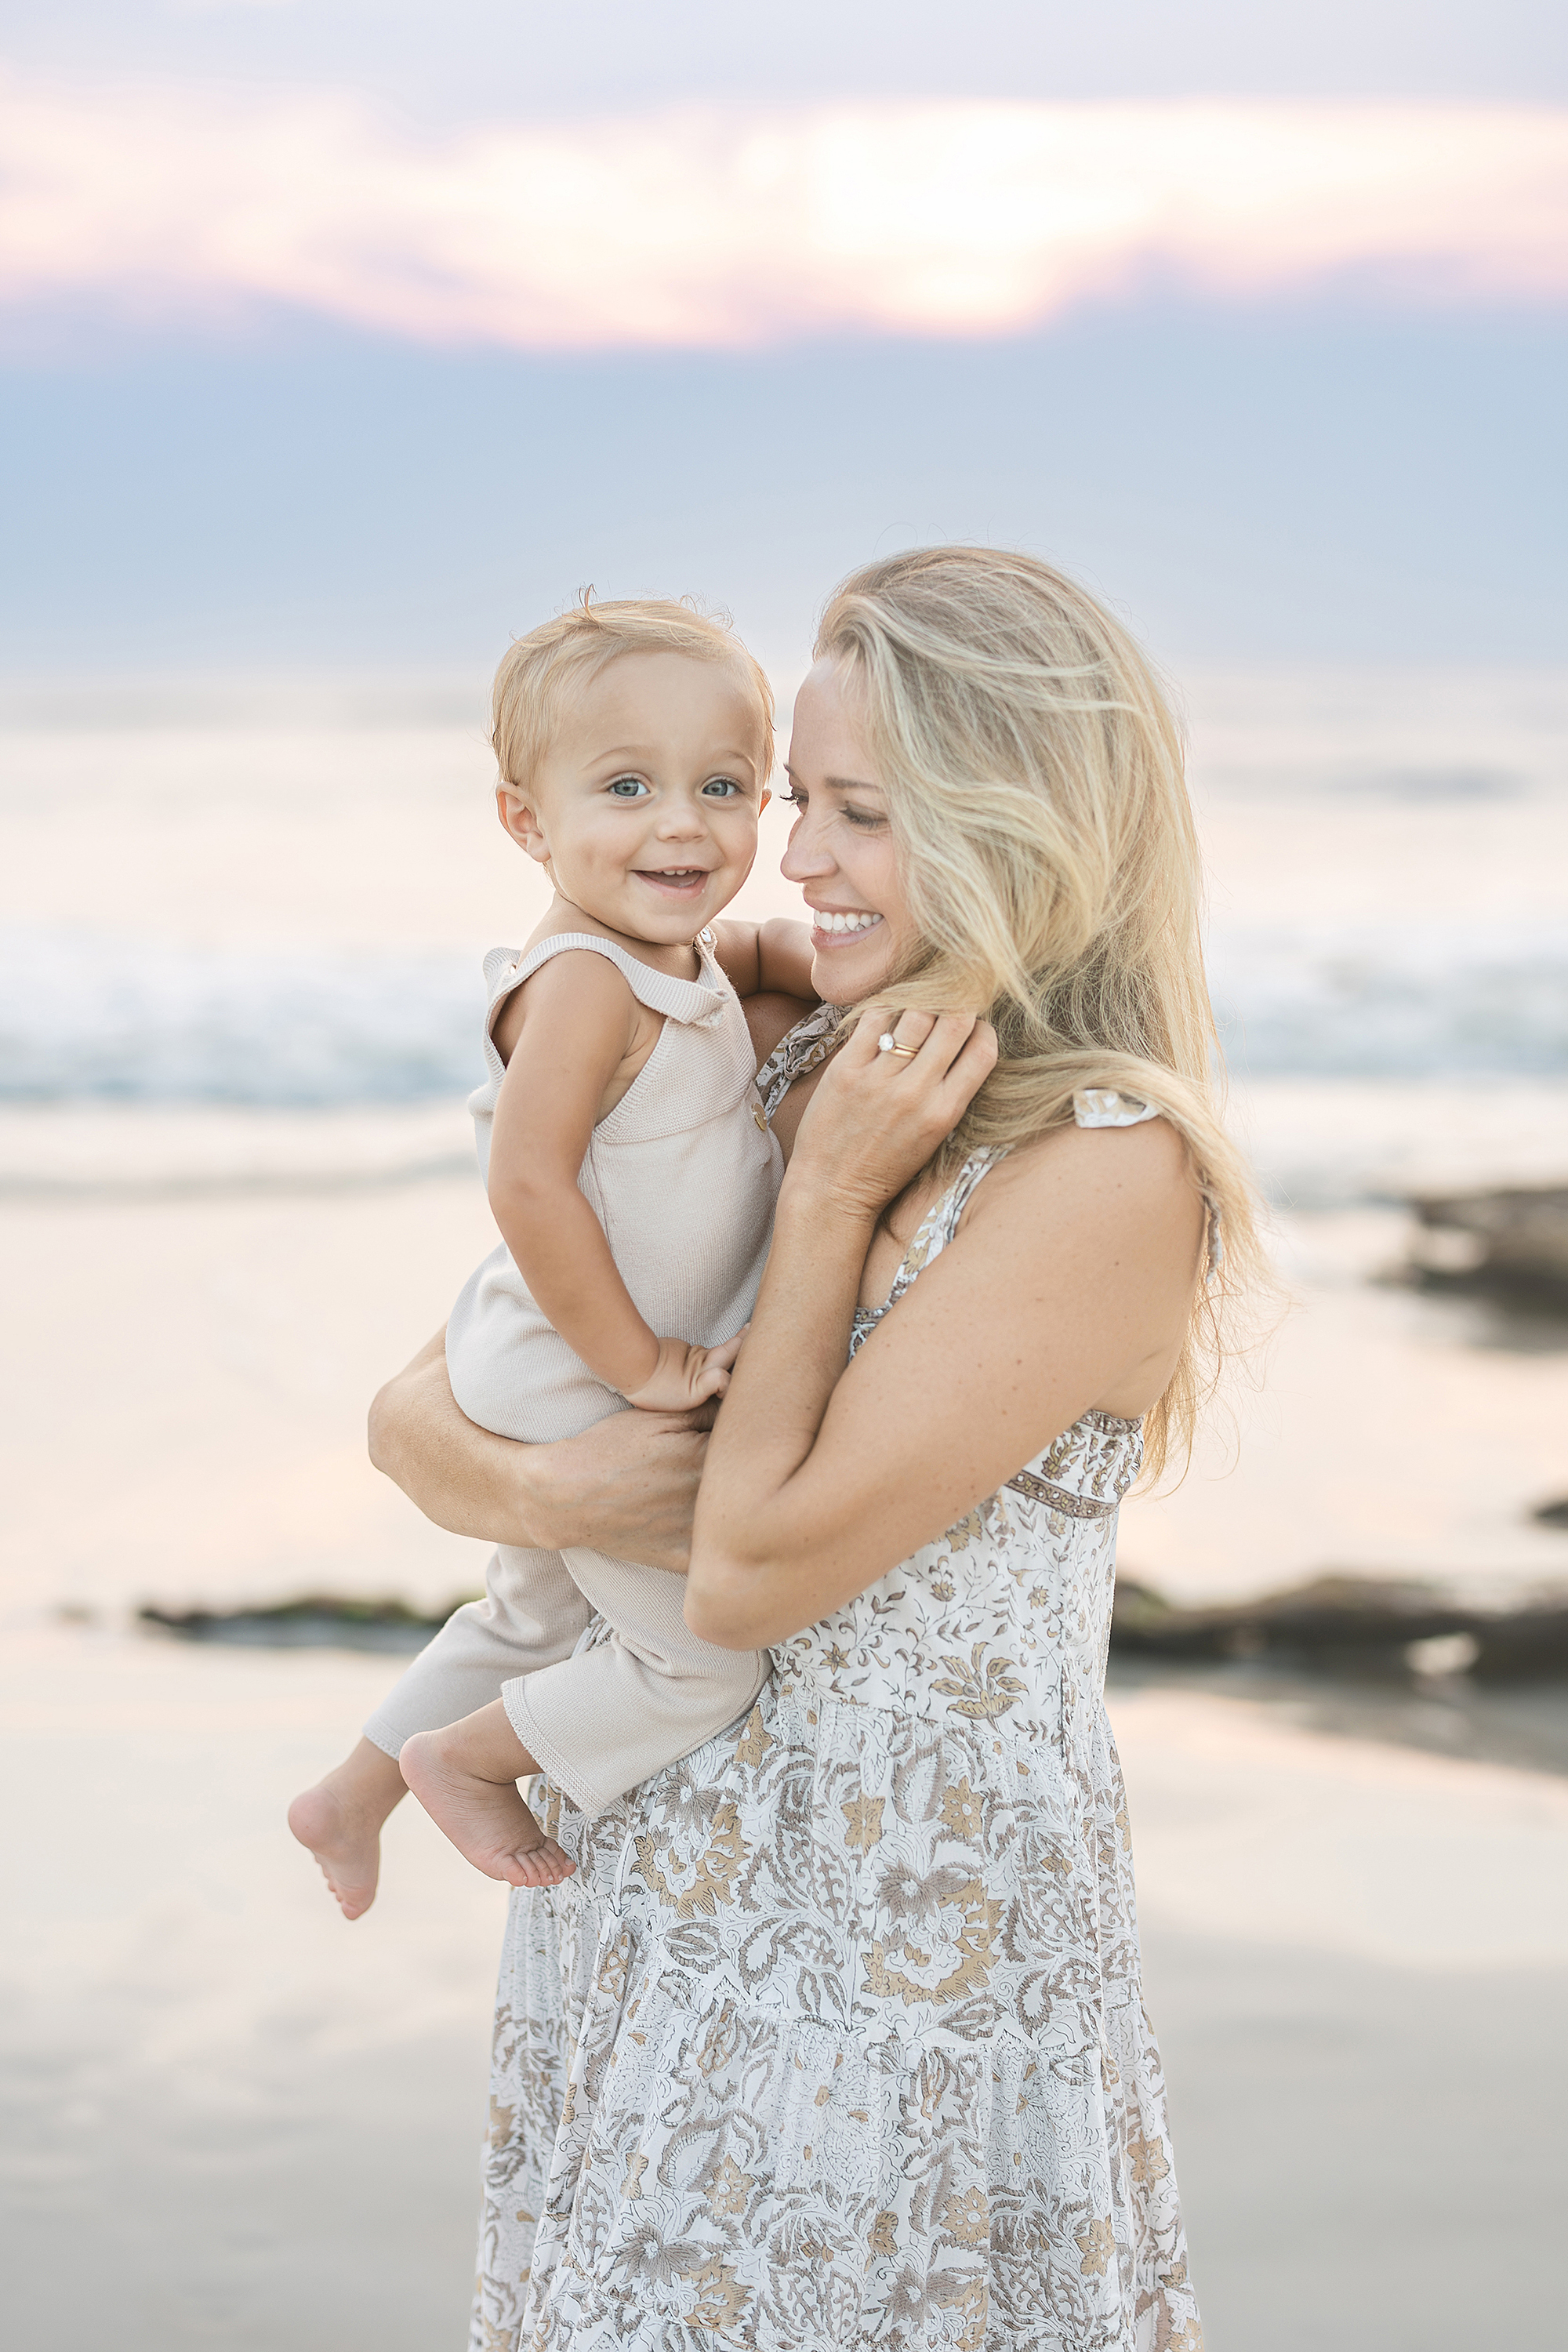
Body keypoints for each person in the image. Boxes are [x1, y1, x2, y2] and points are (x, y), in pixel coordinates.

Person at [373, 547, 1265, 2349]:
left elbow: (755, 1564)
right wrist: (546, 1489)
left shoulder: (1103, 1165)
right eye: (799, 799)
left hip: (896, 1966)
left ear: (1016, 822)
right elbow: (417, 1410)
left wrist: (836, 1199)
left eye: (857, 812)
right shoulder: (791, 1048)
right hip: (650, 1892)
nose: (788, 859)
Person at [289, 597, 816, 1908]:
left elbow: (746, 950)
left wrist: (840, 964)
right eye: (627, 786)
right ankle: (466, 1766)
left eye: (725, 785)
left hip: (556, 1352)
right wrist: (640, 1367)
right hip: (574, 1365)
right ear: (526, 820)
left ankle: (346, 1797)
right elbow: (525, 1185)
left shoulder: (667, 950)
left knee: (531, 1620)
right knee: (701, 1663)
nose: (683, 823)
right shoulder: (583, 980)